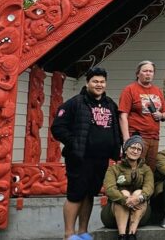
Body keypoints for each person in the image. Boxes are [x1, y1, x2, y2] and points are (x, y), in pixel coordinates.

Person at [50, 67, 122, 240]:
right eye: (95, 81)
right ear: (88, 82)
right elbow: (57, 128)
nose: (99, 85)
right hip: (80, 158)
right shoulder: (75, 102)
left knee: (90, 194)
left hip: (101, 159)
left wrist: (117, 147)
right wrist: (75, 143)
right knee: (76, 194)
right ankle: (69, 234)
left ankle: (83, 231)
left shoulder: (110, 104)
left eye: (102, 81)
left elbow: (116, 129)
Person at [102, 136, 154, 240]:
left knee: (139, 192)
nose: (135, 151)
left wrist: (138, 198)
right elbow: (109, 189)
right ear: (126, 150)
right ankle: (122, 236)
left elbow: (149, 188)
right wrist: (125, 200)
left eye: (139, 149)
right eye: (132, 148)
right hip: (113, 215)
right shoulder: (114, 169)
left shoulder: (146, 169)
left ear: (141, 153)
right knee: (124, 193)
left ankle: (132, 234)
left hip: (140, 214)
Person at [118, 60, 165, 167]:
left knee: (149, 171)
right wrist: (126, 139)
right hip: (137, 137)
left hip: (154, 138)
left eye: (151, 71)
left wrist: (161, 115)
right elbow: (123, 116)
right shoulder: (129, 90)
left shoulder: (158, 91)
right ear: (137, 73)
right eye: (145, 71)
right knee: (133, 169)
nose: (148, 73)